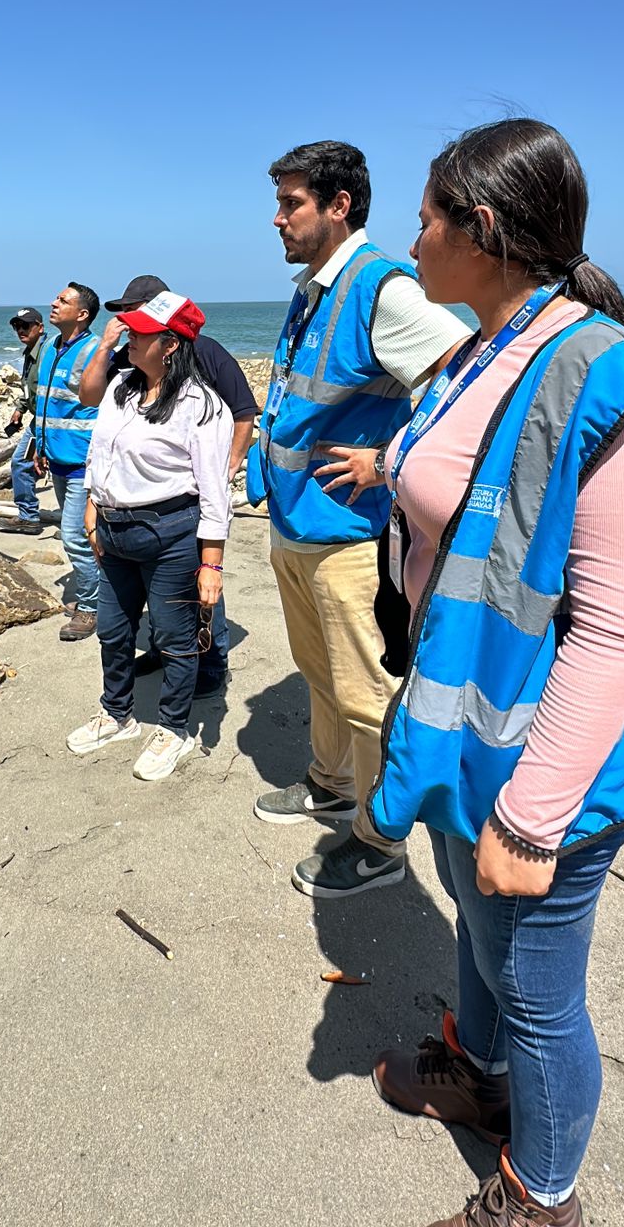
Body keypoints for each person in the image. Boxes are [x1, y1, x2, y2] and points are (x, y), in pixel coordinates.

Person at [365, 119, 624, 1227]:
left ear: (481, 227)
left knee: (539, 993)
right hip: (465, 729)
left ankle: (542, 1197)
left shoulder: (606, 373)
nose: (412, 241)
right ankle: (479, 1077)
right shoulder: (479, 349)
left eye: (426, 220)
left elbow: (619, 628)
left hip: (544, 758)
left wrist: (533, 822)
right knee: (474, 931)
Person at [244, 140, 469, 897]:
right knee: (322, 675)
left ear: (339, 206)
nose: (277, 219)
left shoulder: (381, 288)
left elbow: (473, 384)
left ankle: (379, 843)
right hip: (297, 524)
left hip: (349, 535)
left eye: (292, 203)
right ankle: (331, 783)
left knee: (368, 695)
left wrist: (390, 460)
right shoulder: (315, 287)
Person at [67, 291, 233, 781]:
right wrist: (94, 506)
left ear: (171, 345)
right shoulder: (121, 386)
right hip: (114, 532)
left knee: (175, 639)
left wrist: (211, 564)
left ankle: (174, 729)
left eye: (141, 332)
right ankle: (116, 714)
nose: (130, 336)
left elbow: (214, 491)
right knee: (113, 630)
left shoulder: (202, 406)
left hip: (171, 536)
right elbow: (100, 452)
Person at [79, 273, 256, 697]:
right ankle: (165, 652)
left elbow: (243, 410)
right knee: (162, 603)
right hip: (133, 511)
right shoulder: (129, 362)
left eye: (131, 312)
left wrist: (228, 465)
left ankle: (212, 664)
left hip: (185, 506)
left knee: (199, 591)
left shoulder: (206, 353)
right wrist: (104, 346)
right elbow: (92, 401)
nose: (124, 321)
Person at [32, 283, 101, 640]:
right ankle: (98, 595)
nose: (53, 303)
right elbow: (46, 402)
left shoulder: (95, 349)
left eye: (63, 301)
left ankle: (92, 607)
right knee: (75, 533)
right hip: (57, 458)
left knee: (75, 536)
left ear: (82, 314)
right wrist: (39, 444)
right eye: (56, 298)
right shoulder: (50, 347)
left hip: (81, 463)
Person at [0, 307, 47, 536]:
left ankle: (29, 517)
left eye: (26, 325)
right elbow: (30, 387)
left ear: (40, 327)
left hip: (46, 420)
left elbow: (48, 391)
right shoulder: (30, 353)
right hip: (38, 418)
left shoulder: (46, 352)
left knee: (22, 462)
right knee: (26, 463)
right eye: (17, 326)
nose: (20, 330)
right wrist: (20, 409)